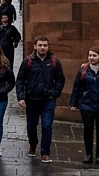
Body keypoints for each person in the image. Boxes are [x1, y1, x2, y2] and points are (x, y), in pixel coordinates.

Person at [16, 35, 65, 163]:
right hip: (32, 99)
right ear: (35, 46)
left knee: (47, 125)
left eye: (45, 45)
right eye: (40, 45)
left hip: (48, 99)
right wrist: (21, 96)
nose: (42, 48)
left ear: (48, 47)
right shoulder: (28, 61)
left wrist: (54, 93)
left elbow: (60, 79)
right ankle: (33, 144)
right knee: (31, 126)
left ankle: (45, 152)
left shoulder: (54, 61)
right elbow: (20, 79)